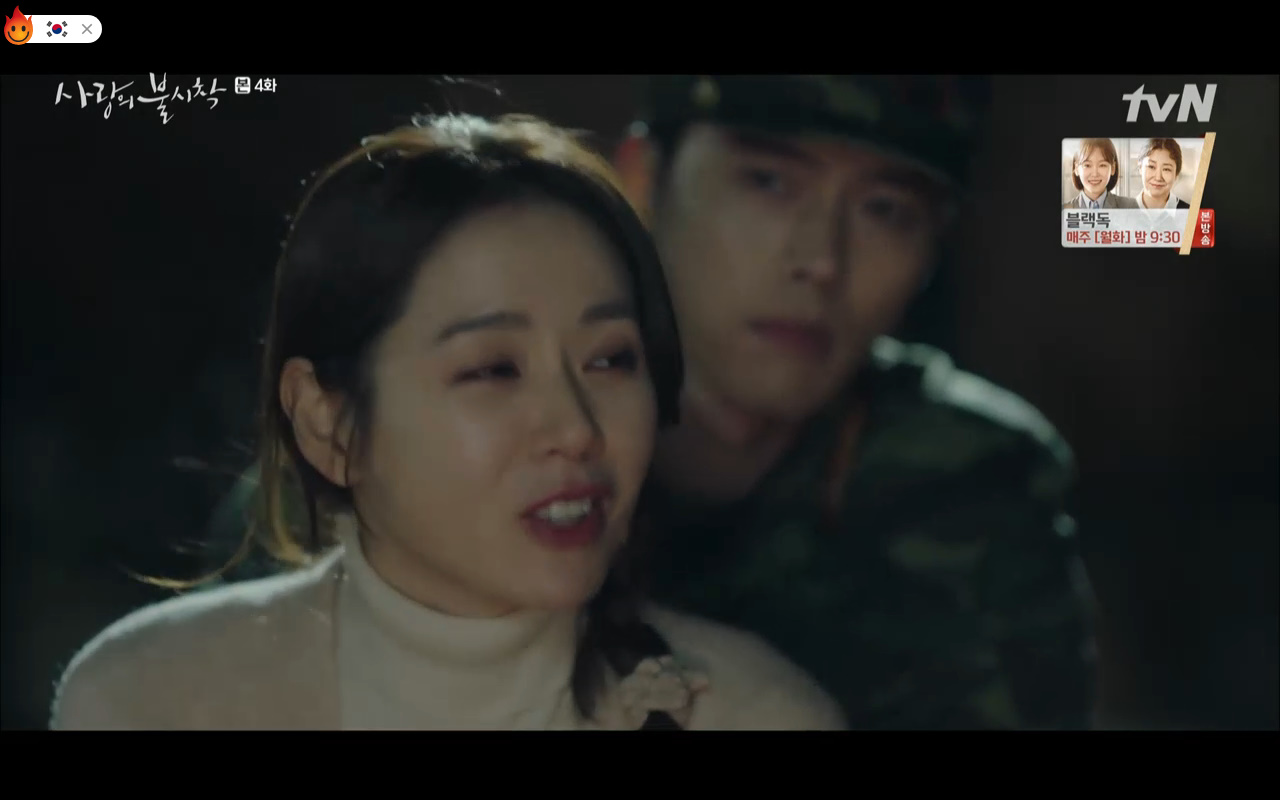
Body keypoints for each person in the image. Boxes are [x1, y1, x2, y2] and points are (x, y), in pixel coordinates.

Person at [49, 113, 846, 731]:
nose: (576, 428)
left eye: (610, 359)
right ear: (329, 425)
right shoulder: (153, 699)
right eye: (493, 369)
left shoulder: (756, 715)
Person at [609, 76, 1097, 729]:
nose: (822, 260)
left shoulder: (975, 484)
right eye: (768, 182)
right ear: (643, 179)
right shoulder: (524, 434)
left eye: (886, 210)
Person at [1063, 137, 1140, 209]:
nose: (1095, 174)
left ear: (1113, 168)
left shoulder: (1130, 207)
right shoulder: (1064, 210)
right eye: (1087, 165)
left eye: (1102, 165)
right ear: (1076, 169)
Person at [1135, 138, 1192, 210]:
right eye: (1151, 167)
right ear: (1140, 167)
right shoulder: (1124, 209)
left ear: (1176, 174)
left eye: (1166, 169)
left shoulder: (1192, 212)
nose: (1158, 177)